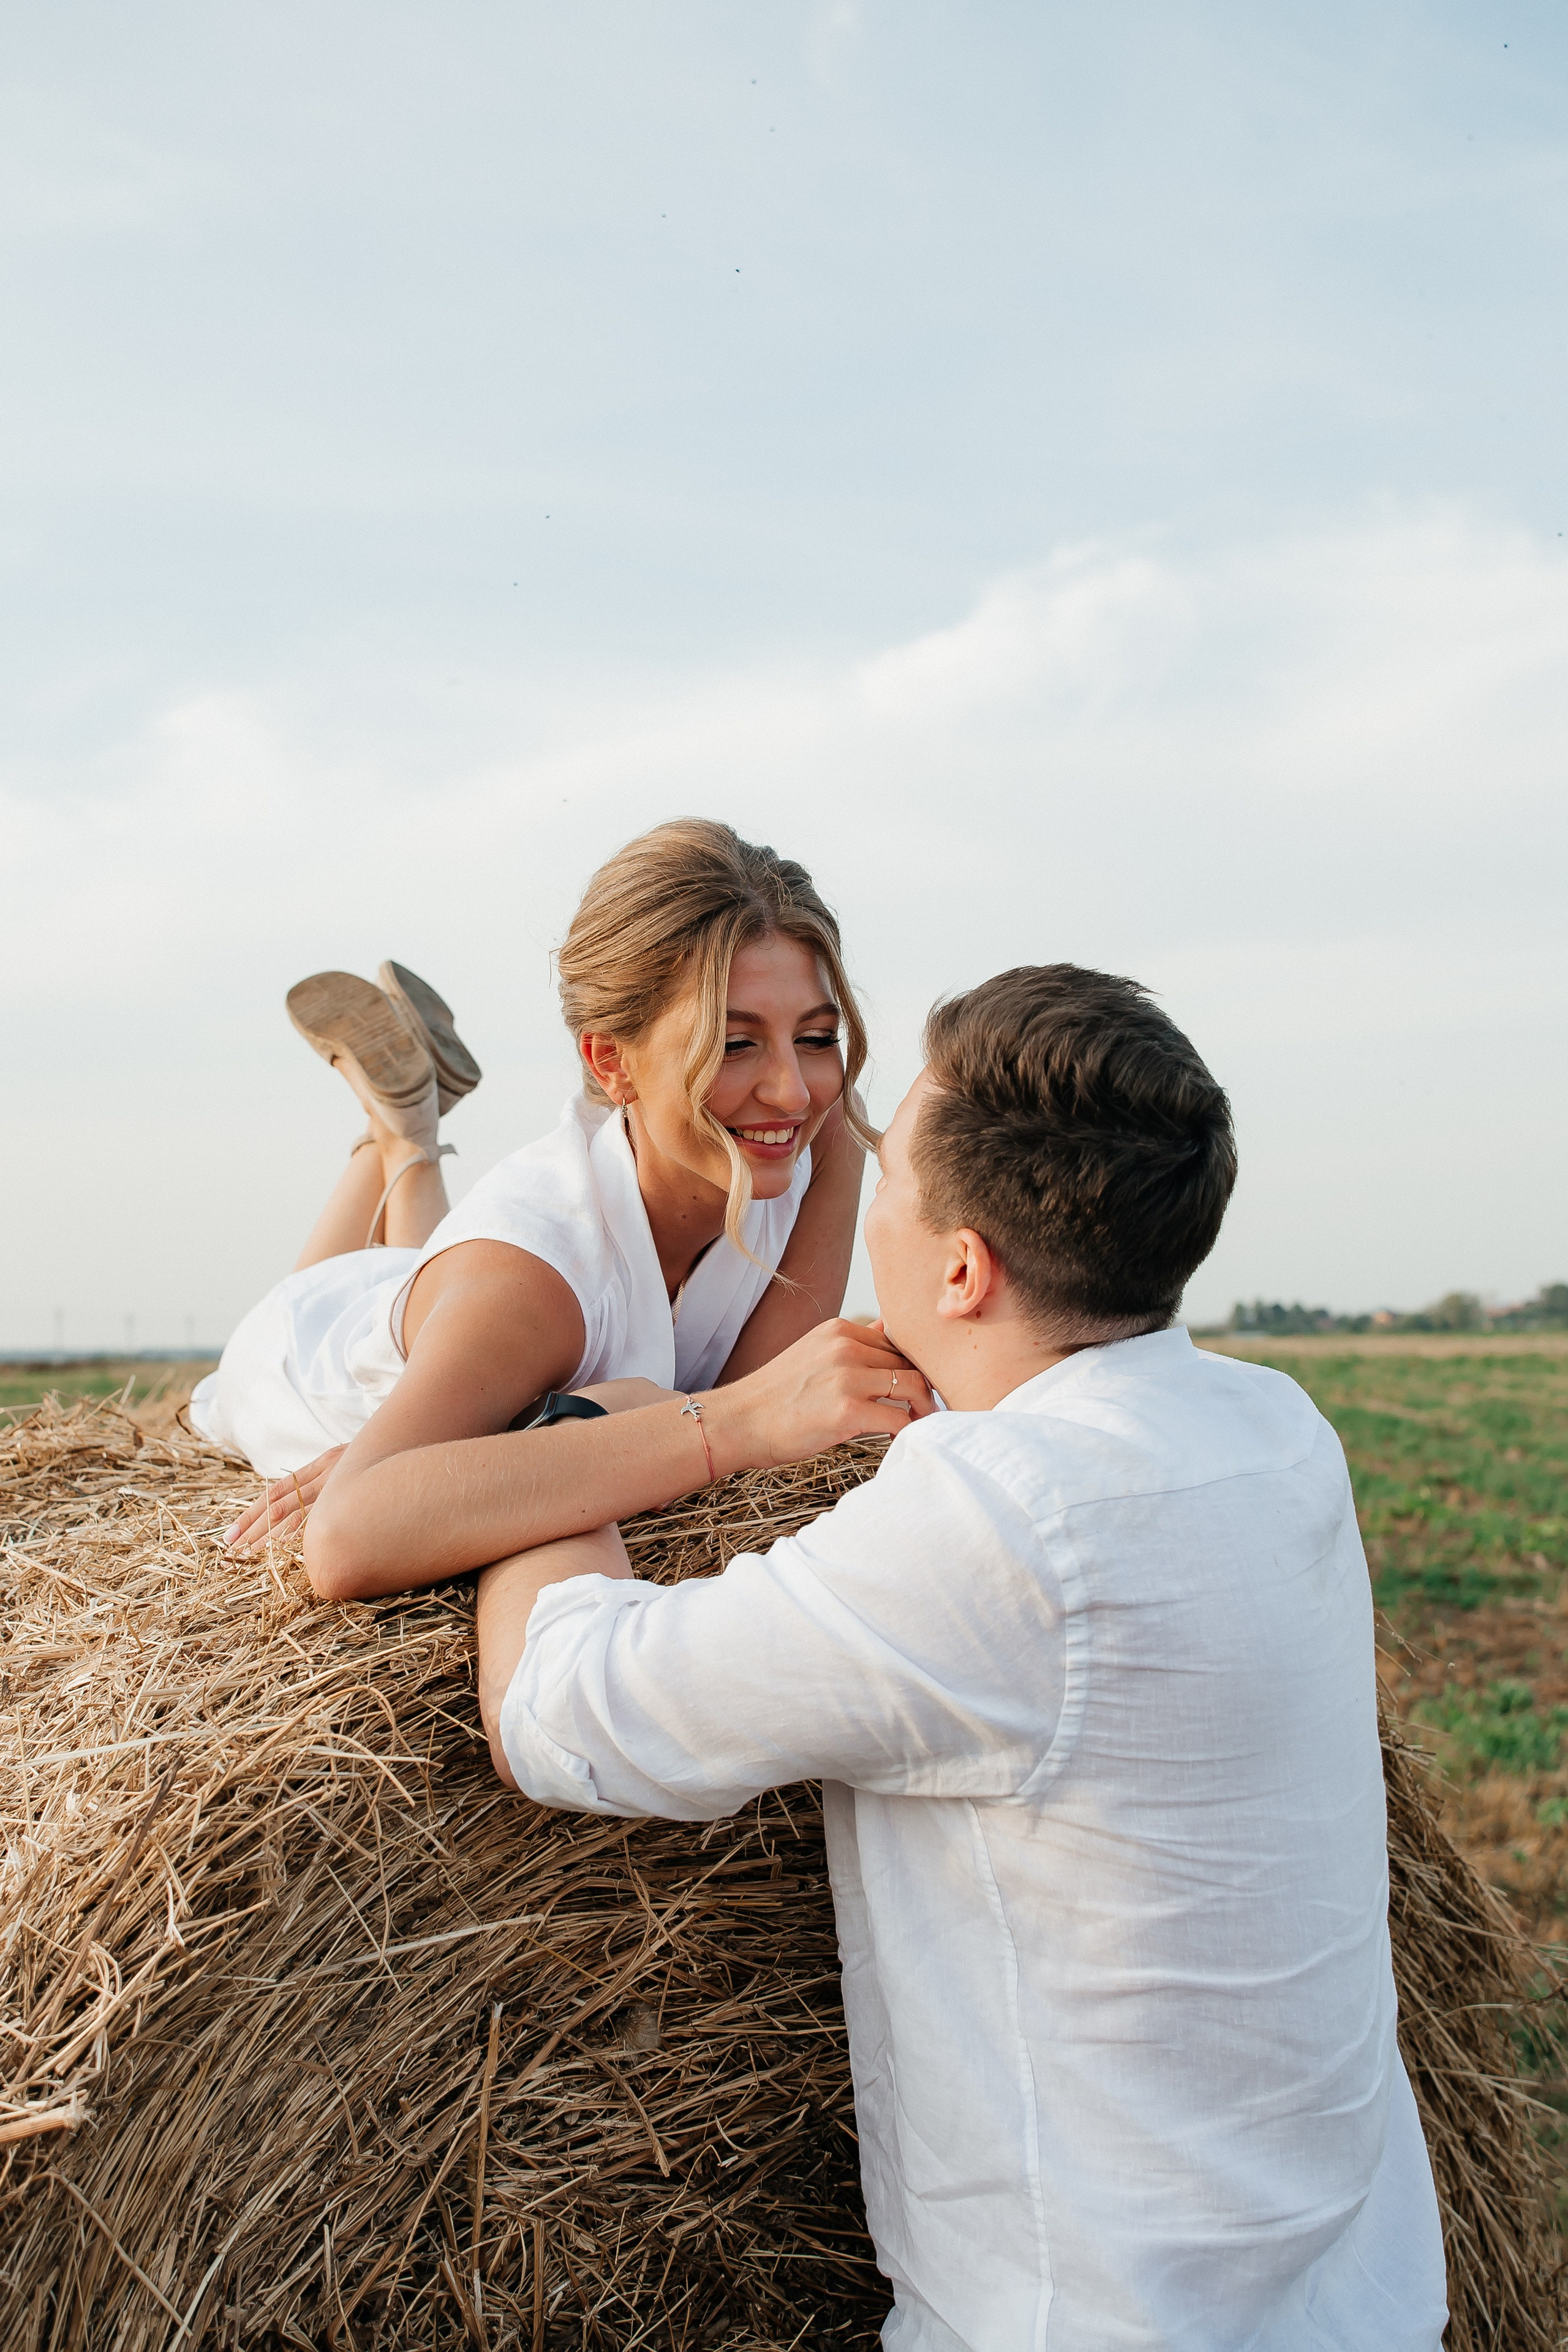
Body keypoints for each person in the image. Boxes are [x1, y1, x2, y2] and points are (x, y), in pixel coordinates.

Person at [476, 965, 1448, 2352]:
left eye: (884, 1176)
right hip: (1360, 2306)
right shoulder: (1275, 1427)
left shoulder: (1000, 1518)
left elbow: (562, 1709)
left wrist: (572, 1431)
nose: (862, 1198)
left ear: (960, 1269)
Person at [200, 819, 931, 1596]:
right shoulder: (533, 1277)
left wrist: (603, 1420)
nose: (792, 1092)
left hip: (447, 1302)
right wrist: (699, 1420)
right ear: (611, 1062)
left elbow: (763, 1387)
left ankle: (407, 1122)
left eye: (815, 1037)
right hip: (309, 1356)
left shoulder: (819, 1134)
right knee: (447, 1292)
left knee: (432, 1278)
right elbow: (346, 1540)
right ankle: (404, 1133)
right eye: (733, 1044)